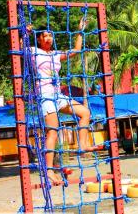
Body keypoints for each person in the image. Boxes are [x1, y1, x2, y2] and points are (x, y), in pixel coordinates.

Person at [27, 18, 98, 183]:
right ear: (38, 39)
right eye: (44, 36)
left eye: (50, 36)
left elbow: (75, 50)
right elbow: (18, 48)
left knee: (85, 112)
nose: (48, 39)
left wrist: (80, 31)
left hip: (58, 95)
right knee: (52, 131)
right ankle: (49, 171)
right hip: (44, 96)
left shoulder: (56, 54)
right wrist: (25, 32)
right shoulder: (33, 51)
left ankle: (83, 145)